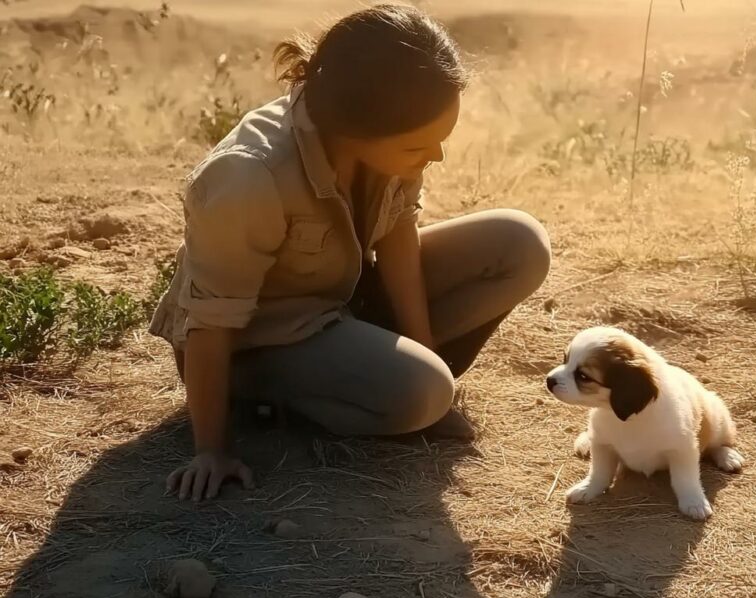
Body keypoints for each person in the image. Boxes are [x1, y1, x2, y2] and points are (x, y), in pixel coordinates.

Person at [149, 4, 551, 501]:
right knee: (421, 392)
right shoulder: (248, 176)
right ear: (360, 126)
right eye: (420, 145)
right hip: (257, 342)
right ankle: (269, 399)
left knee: (520, 242)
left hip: (339, 300)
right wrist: (209, 448)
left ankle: (393, 375)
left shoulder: (385, 140)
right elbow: (209, 319)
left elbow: (399, 230)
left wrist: (423, 348)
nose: (436, 156)